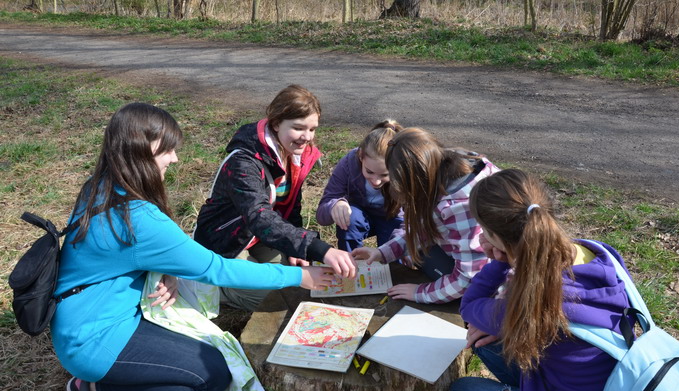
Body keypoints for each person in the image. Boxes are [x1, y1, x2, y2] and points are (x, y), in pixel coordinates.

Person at [52, 102, 334, 391]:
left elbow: (127, 254)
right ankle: (96, 389)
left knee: (206, 356)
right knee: (213, 376)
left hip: (87, 318)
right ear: (141, 150)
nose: (175, 158)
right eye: (168, 149)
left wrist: (167, 270)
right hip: (94, 340)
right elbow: (217, 269)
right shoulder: (138, 219)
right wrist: (298, 277)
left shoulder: (101, 185)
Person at [449, 169, 628, 391]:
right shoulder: (596, 253)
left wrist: (498, 262)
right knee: (487, 342)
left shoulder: (532, 304)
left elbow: (470, 306)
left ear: (499, 239)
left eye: (485, 232)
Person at [194, 84, 356, 312]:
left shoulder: (296, 155)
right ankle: (213, 288)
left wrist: (295, 249)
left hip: (260, 237)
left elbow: (291, 208)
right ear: (277, 123)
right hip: (226, 243)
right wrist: (320, 249)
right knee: (275, 299)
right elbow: (259, 216)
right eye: (298, 128)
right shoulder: (243, 162)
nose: (307, 137)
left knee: (297, 285)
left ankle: (242, 278)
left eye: (312, 129)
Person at [352, 127, 499, 304]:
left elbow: (468, 277)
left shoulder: (459, 207)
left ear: (415, 182)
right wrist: (382, 253)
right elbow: (423, 229)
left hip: (495, 278)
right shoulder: (444, 162)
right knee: (420, 254)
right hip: (477, 257)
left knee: (427, 263)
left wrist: (420, 293)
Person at [316, 119, 404, 252]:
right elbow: (321, 215)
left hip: (392, 219)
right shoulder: (349, 163)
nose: (376, 181)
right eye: (369, 172)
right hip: (358, 217)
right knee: (351, 217)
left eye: (385, 175)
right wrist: (334, 205)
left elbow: (412, 224)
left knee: (396, 248)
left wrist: (389, 251)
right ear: (361, 156)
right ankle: (350, 260)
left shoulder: (405, 170)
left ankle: (393, 263)